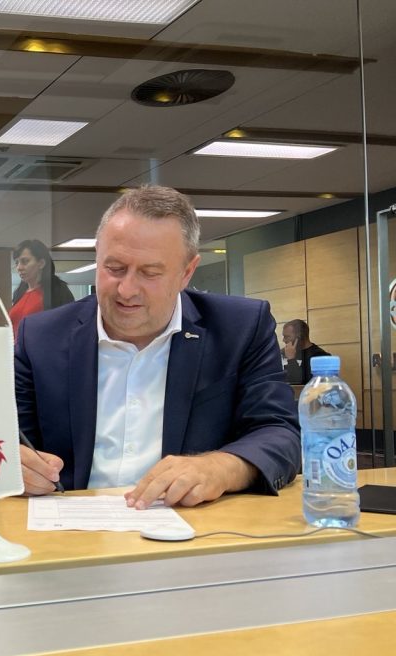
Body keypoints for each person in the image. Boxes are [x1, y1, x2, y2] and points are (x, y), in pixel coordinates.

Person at [15, 185, 299, 510]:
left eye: (150, 273)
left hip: (193, 525)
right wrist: (10, 465)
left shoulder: (240, 329)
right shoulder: (41, 338)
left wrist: (220, 467)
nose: (126, 290)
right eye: (114, 268)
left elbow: (280, 433)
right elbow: (4, 441)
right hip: (68, 526)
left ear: (186, 273)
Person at [9, 239, 75, 339]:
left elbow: (68, 328)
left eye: (25, 261)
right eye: (17, 263)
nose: (19, 267)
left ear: (41, 263)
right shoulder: (19, 293)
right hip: (17, 348)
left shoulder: (57, 290)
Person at [282, 319, 329, 385]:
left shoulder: (320, 356)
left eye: (287, 337)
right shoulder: (283, 353)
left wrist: (291, 360)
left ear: (300, 337)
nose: (283, 340)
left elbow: (303, 384)